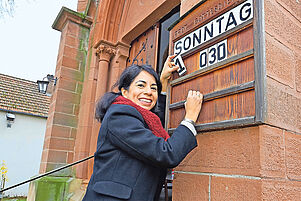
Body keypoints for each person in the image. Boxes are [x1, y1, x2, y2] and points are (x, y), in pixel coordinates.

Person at [82, 55, 203, 201]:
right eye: (141, 85)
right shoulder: (119, 115)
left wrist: (162, 83)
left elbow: (155, 123)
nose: (148, 92)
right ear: (124, 92)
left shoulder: (139, 116)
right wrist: (189, 117)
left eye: (153, 88)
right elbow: (165, 153)